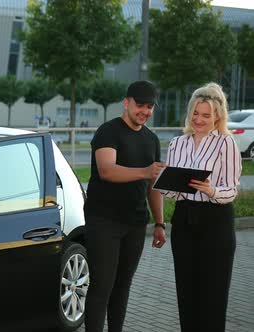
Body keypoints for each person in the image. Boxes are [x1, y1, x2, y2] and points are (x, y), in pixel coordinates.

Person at [84, 80, 166, 332]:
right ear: (126, 102)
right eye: (140, 105)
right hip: (104, 220)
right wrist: (144, 171)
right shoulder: (108, 132)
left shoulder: (152, 140)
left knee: (123, 286)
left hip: (136, 222)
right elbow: (107, 170)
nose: (145, 111)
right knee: (102, 285)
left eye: (150, 106)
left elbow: (154, 186)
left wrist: (160, 223)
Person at [160, 82, 241, 332]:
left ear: (217, 116)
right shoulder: (177, 144)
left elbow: (232, 188)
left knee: (213, 294)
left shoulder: (226, 143)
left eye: (206, 115)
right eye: (195, 113)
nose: (199, 119)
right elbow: (170, 192)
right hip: (184, 219)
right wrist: (164, 180)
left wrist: (211, 190)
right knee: (186, 290)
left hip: (216, 221)